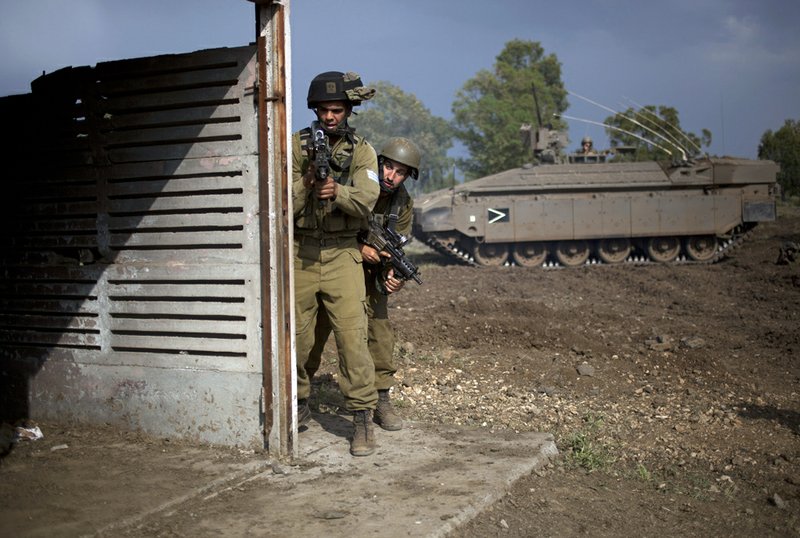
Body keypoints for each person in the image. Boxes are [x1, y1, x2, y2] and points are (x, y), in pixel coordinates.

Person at [305, 137, 421, 433]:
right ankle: (300, 397)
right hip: (335, 263)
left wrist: (394, 276)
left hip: (372, 274)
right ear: (379, 163)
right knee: (315, 331)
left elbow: (398, 244)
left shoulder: (402, 203)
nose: (391, 176)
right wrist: (359, 250)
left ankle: (381, 399)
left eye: (400, 172)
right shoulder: (356, 181)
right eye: (389, 167)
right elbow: (326, 226)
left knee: (380, 333)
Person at [292, 71, 380, 457]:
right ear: (315, 109)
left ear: (348, 110)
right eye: (324, 110)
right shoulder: (296, 147)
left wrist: (337, 190)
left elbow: (367, 199)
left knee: (352, 338)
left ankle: (361, 417)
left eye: (337, 110)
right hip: (302, 251)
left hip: (344, 253)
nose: (330, 117)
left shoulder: (362, 150)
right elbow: (278, 202)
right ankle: (295, 404)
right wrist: (307, 183)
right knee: (296, 337)